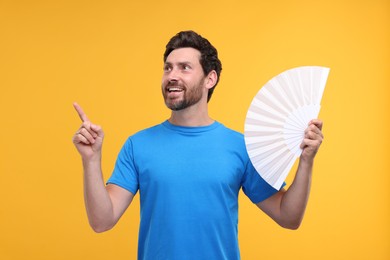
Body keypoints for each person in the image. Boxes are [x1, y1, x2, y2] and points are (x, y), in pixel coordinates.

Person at [72, 30, 324, 260]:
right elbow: (102, 221)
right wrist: (91, 160)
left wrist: (306, 161)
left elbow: (288, 216)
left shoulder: (240, 147)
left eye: (184, 68)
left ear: (210, 79)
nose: (172, 76)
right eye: (167, 68)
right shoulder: (137, 145)